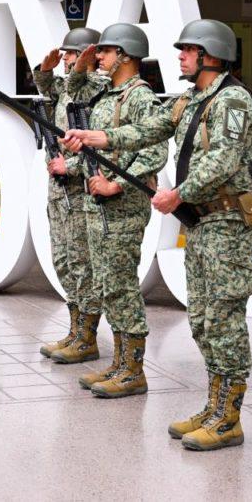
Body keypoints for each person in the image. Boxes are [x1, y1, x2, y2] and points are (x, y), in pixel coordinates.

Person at [63, 18, 252, 450]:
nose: (180, 57)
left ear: (210, 55)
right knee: (204, 321)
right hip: (202, 223)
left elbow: (223, 161)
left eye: (188, 50)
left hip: (227, 224)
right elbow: (149, 130)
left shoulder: (232, 101)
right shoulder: (191, 99)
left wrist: (179, 193)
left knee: (224, 321)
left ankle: (229, 418)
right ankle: (214, 407)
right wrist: (99, 137)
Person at [53, 24, 167, 400]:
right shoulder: (108, 93)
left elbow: (154, 150)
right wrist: (83, 66)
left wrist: (117, 184)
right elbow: (75, 90)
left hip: (121, 207)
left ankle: (133, 370)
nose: (97, 56)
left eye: (105, 51)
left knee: (121, 286)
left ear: (127, 55)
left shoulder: (140, 98)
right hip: (97, 205)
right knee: (107, 284)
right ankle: (120, 363)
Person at [33, 27, 102, 362]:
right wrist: (44, 71)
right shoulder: (66, 87)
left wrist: (70, 167)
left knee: (82, 263)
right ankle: (75, 329)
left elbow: (98, 145)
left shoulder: (96, 89)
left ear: (88, 57)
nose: (67, 62)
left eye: (72, 56)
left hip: (80, 191)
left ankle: (87, 336)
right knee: (63, 260)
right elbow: (50, 89)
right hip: (60, 193)